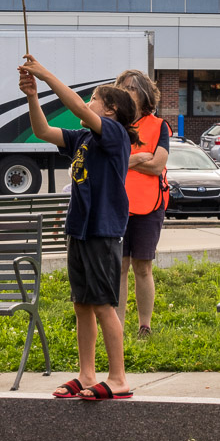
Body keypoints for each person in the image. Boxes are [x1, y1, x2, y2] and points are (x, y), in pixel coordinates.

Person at [18, 55, 138, 401]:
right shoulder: (83, 139)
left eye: (96, 99)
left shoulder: (113, 135)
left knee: (103, 304)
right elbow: (43, 131)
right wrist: (31, 95)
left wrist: (46, 75)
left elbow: (79, 110)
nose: (89, 104)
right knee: (82, 304)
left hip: (102, 230)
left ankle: (118, 378)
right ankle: (87, 374)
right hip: (80, 230)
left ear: (111, 109)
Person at [114, 70, 171, 337]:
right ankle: (118, 327)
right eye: (123, 87)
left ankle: (144, 326)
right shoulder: (115, 125)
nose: (127, 92)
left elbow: (158, 165)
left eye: (132, 88)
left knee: (143, 266)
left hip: (149, 206)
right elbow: (111, 165)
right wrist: (138, 159)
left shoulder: (158, 125)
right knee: (120, 267)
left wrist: (127, 163)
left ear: (145, 94)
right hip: (116, 206)